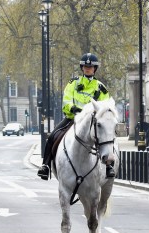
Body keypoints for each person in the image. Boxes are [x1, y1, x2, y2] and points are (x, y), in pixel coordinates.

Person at [38, 52, 113, 180]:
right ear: (82, 68)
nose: (88, 68)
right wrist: (73, 108)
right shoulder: (73, 83)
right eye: (85, 66)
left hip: (92, 122)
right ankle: (45, 166)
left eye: (90, 67)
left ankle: (109, 165)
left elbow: (105, 106)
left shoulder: (101, 88)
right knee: (53, 136)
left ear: (95, 69)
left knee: (108, 138)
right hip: (73, 118)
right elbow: (66, 100)